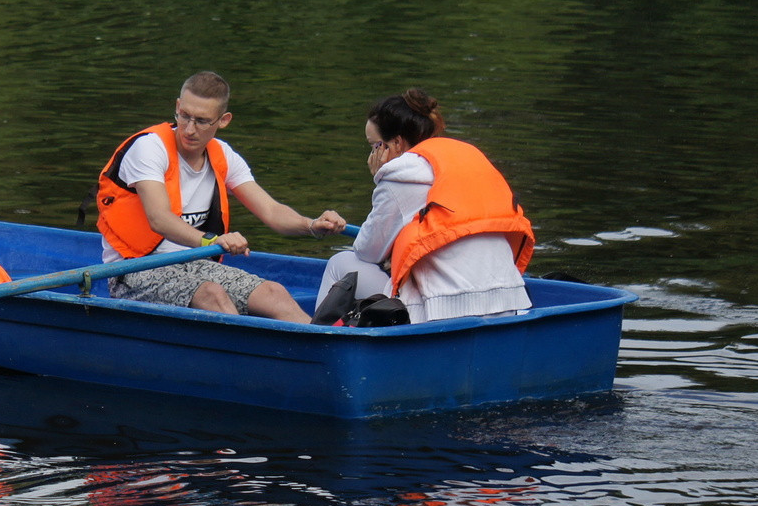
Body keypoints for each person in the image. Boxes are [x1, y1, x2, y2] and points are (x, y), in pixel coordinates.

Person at [96, 71, 346, 323]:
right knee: (212, 294)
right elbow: (159, 219)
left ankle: (325, 352)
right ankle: (249, 357)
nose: (189, 129)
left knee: (274, 293)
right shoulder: (149, 148)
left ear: (223, 120)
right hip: (133, 270)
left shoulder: (223, 155)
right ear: (178, 106)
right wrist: (211, 241)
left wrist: (311, 225)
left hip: (193, 263)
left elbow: (271, 211)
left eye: (202, 121)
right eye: (184, 116)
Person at [315, 88, 534, 323]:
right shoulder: (468, 157)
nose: (372, 155)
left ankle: (321, 343)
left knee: (341, 264)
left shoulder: (398, 174)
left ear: (397, 142)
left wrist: (379, 179)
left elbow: (368, 251)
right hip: (509, 303)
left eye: (374, 146)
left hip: (445, 311)